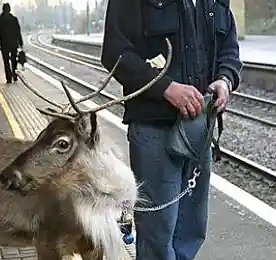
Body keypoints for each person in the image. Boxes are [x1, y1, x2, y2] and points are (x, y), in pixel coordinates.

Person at [101, 0, 242, 260]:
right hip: (154, 131)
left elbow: (229, 48)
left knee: (191, 230)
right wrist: (165, 88)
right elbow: (114, 52)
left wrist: (225, 79)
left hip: (199, 129)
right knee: (157, 237)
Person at [0, 3, 24, 84]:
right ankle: (14, 73)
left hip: (4, 43)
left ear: (3, 9)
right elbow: (18, 31)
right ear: (9, 9)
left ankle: (8, 77)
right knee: (14, 60)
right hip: (13, 43)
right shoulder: (14, 19)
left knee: (6, 61)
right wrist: (20, 42)